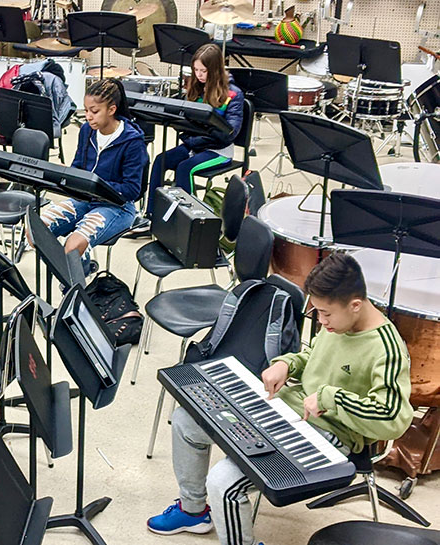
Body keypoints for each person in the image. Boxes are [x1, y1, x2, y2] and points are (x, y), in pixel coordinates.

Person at [146, 253, 413, 545]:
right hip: (286, 408)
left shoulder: (386, 349)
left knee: (223, 483)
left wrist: (330, 398)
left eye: (325, 314)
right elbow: (316, 356)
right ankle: (193, 511)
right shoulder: (339, 322)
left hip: (328, 434)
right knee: (188, 419)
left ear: (355, 305)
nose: (321, 322)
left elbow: (393, 419)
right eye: (317, 313)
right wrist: (287, 364)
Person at [40, 78, 149, 275]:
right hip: (85, 198)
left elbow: (133, 189)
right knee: (37, 231)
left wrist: (96, 185)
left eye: (94, 111)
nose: (88, 116)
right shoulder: (86, 131)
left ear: (112, 109)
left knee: (73, 246)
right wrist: (66, 175)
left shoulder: (133, 142)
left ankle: (74, 288)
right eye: (86, 110)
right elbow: (78, 166)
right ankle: (80, 270)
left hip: (117, 206)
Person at [145, 43, 244, 214]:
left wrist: (197, 138)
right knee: (161, 161)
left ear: (215, 70)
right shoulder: (196, 89)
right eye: (196, 70)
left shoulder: (233, 95)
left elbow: (229, 134)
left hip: (219, 152)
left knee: (185, 168)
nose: (199, 75)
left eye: (204, 71)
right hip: (194, 146)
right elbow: (184, 121)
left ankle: (187, 220)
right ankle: (152, 215)